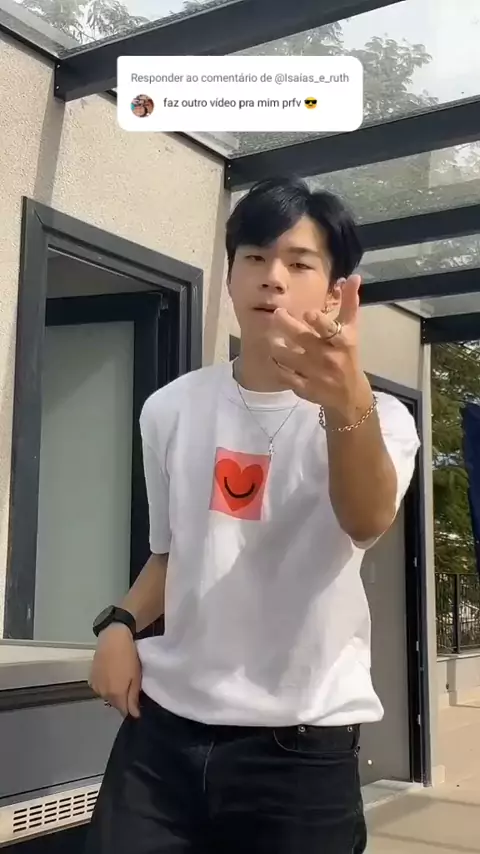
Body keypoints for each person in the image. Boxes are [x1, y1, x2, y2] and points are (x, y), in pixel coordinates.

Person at [86, 176, 420, 854]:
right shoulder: (170, 408)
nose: (273, 277)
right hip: (163, 734)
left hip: (300, 746)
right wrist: (118, 623)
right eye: (255, 258)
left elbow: (365, 520)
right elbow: (173, 552)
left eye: (299, 263)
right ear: (232, 276)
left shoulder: (381, 418)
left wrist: (345, 399)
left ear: (336, 292)